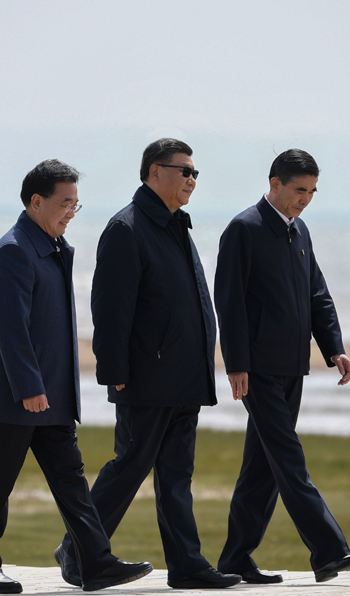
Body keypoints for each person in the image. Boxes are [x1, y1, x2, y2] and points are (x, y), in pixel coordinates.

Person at [54, 139, 241, 590]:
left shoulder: (177, 226)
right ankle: (78, 552)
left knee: (176, 475)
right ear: (155, 172)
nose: (192, 180)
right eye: (184, 171)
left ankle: (188, 565)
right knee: (130, 466)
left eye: (195, 173)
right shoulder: (128, 228)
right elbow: (110, 309)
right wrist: (113, 373)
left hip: (186, 376)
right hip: (147, 376)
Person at [0, 159, 153, 594]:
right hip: (17, 399)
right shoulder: (14, 251)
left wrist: (55, 390)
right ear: (37, 202)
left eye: (76, 204)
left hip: (53, 398)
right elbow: (11, 330)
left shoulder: (54, 249)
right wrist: (29, 387)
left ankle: (97, 564)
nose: (71, 211)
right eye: (65, 202)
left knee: (72, 484)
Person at [214, 149, 350, 584]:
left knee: (262, 467)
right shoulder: (244, 229)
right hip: (258, 369)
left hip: (292, 365)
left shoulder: (299, 231)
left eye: (313, 191)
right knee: (287, 457)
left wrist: (334, 348)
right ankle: (329, 551)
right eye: (300, 189)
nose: (306, 199)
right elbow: (229, 301)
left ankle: (235, 559)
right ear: (275, 183)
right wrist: (236, 363)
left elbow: (317, 294)